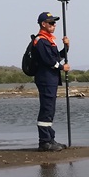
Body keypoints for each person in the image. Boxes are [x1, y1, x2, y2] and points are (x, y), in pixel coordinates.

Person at [32, 11, 70, 152]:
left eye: (55, 23)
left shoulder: (49, 40)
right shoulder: (40, 40)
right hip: (45, 79)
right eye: (51, 23)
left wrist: (66, 47)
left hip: (51, 79)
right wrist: (62, 67)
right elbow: (48, 61)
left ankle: (50, 138)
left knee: (50, 109)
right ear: (43, 24)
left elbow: (57, 57)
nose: (54, 25)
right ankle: (44, 142)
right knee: (47, 109)